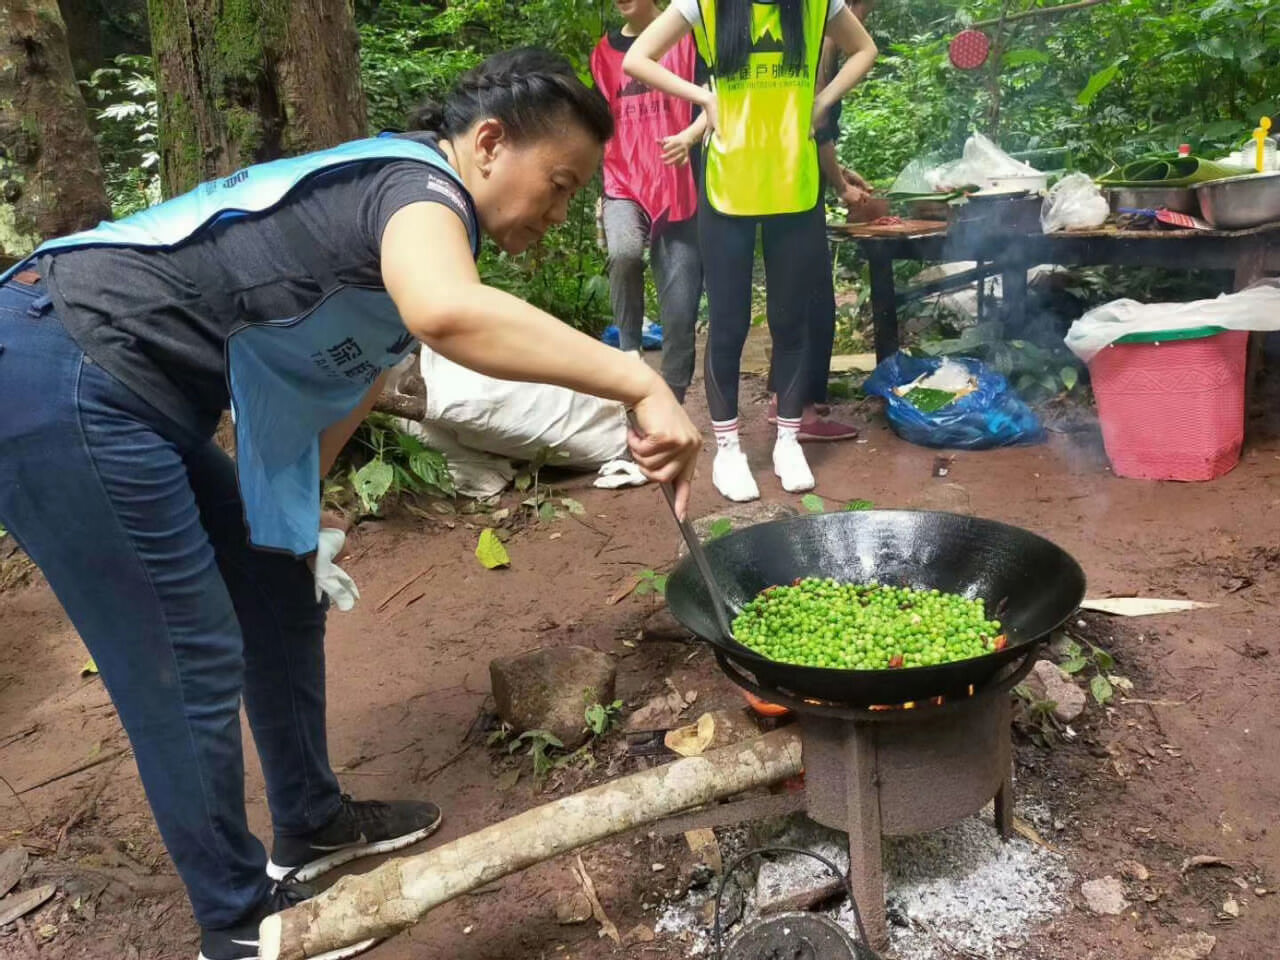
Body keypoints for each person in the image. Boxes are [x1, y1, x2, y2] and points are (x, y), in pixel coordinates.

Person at [0, 48, 699, 960]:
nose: (560, 213)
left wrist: (290, 525)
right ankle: (238, 922)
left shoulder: (401, 218)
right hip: (62, 376)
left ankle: (313, 821)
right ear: (489, 144)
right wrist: (637, 381)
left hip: (128, 390)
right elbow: (449, 312)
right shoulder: (416, 187)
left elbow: (331, 392)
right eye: (559, 183)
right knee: (184, 658)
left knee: (274, 579)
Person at [624, 0, 877, 501]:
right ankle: (729, 449)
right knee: (729, 322)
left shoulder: (817, 4)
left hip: (794, 183)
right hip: (729, 186)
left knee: (790, 320)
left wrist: (821, 102)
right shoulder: (705, 4)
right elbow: (638, 58)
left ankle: (786, 439)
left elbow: (863, 50)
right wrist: (704, 98)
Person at [763, 0, 875, 439]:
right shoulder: (820, 46)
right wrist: (843, 189)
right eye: (864, 9)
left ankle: (787, 400)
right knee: (812, 302)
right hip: (794, 184)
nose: (864, 19)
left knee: (797, 293)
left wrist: (838, 175)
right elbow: (817, 127)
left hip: (787, 177)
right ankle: (798, 410)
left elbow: (815, 134)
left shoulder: (807, 38)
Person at [591, 0, 707, 402]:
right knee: (623, 253)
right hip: (622, 180)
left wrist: (690, 135)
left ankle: (673, 394)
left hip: (679, 182)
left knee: (680, 302)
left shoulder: (689, 37)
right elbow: (597, 124)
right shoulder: (602, 55)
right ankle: (630, 357)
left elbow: (716, 99)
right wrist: (596, 193)